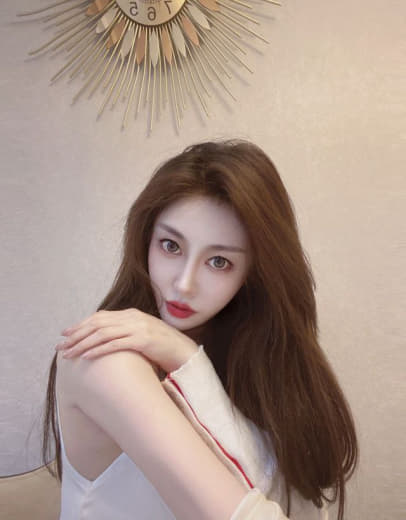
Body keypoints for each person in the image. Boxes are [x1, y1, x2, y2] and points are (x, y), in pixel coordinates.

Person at [42, 139, 358, 520]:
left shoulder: (257, 367)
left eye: (219, 261)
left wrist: (186, 356)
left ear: (253, 273)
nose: (184, 284)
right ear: (145, 239)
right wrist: (191, 364)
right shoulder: (106, 360)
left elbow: (300, 507)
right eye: (170, 245)